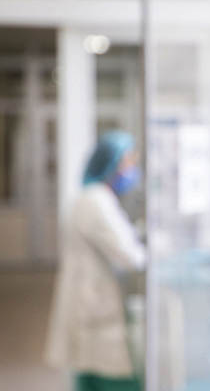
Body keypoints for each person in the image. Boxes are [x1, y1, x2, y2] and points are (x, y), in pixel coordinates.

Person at [45, 131, 145, 391]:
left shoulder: (92, 198)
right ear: (110, 164)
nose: (132, 170)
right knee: (108, 374)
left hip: (88, 302)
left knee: (89, 373)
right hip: (94, 306)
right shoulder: (96, 201)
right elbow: (130, 256)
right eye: (127, 162)